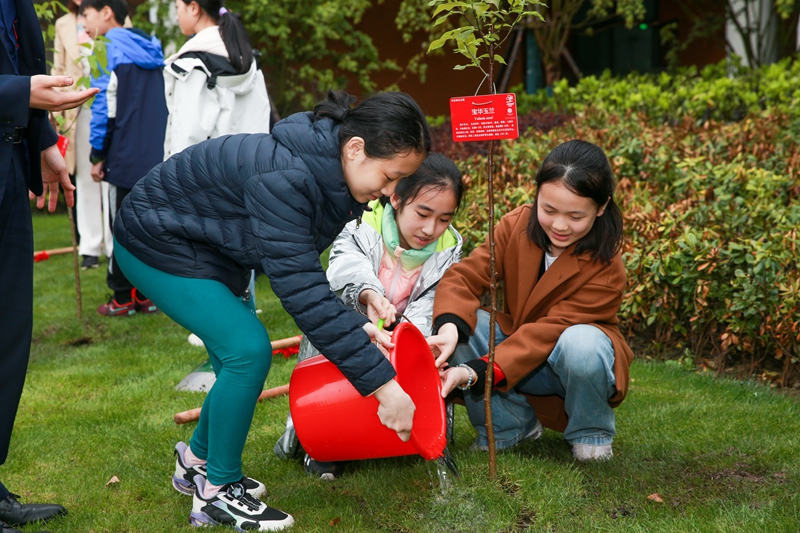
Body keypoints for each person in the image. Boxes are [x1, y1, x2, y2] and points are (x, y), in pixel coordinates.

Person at [112, 89, 430, 530]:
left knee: (234, 353)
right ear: (356, 148)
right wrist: (383, 386)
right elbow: (300, 289)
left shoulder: (331, 174)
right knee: (247, 350)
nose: (392, 192)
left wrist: (357, 329)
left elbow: (300, 270)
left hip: (201, 243)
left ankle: (198, 461)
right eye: (392, 176)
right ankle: (218, 493)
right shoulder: (287, 176)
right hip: (153, 240)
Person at [429, 139, 634, 461]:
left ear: (602, 207)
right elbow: (464, 278)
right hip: (518, 349)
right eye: (548, 210)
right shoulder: (515, 226)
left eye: (576, 216)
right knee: (465, 322)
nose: (560, 225)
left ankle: (590, 430)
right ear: (536, 194)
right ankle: (508, 427)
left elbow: (547, 333)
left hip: (570, 361)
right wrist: (449, 328)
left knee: (581, 344)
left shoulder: (607, 266)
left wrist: (474, 373)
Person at [274, 152, 465, 479]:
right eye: (423, 213)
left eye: (444, 219)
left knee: (405, 381)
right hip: (350, 324)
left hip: (401, 338)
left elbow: (429, 304)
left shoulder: (448, 250)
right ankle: (319, 442)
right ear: (397, 198)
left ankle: (393, 432)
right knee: (330, 355)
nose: (431, 228)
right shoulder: (361, 222)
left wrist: (403, 344)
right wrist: (369, 295)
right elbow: (344, 266)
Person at [1, 0, 99, 529]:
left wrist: (43, 142)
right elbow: (18, 81)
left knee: (9, 335)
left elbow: (20, 57)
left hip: (10, 169)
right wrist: (18, 94)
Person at [165, 0, 272, 349]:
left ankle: (217, 330)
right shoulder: (246, 58)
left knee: (207, 254)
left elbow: (187, 130)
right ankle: (242, 322)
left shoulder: (195, 61)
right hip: (248, 171)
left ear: (194, 8)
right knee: (240, 248)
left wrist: (171, 179)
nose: (176, 13)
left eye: (178, 5)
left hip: (204, 175)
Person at [80, 0, 168, 317]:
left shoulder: (105, 49)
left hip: (123, 154)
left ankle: (121, 298)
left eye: (85, 16)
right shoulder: (151, 46)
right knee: (148, 226)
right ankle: (145, 295)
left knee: (120, 227)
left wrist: (97, 153)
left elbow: (104, 107)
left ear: (106, 12)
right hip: (153, 152)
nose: (83, 25)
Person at [52, 0, 114, 271]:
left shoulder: (109, 12)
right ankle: (89, 246)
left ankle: (115, 246)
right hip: (77, 109)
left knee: (110, 174)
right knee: (83, 177)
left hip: (108, 102)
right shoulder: (63, 24)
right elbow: (58, 66)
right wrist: (57, 107)